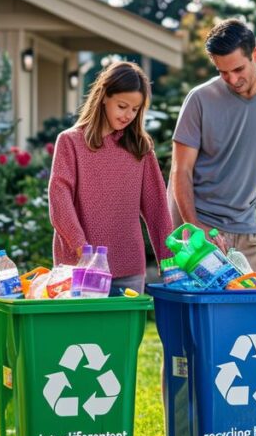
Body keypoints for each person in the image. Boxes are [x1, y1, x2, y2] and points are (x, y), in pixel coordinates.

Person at [169, 18, 256, 284]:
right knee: (199, 320)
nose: (232, 79)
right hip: (198, 231)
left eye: (238, 69)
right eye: (223, 72)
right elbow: (181, 170)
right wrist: (195, 228)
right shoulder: (199, 100)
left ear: (255, 54)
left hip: (246, 231)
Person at [49, 61, 174, 295]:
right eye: (122, 106)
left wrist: (170, 265)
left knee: (123, 332)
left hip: (128, 268)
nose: (128, 115)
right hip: (78, 270)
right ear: (104, 96)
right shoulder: (71, 142)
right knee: (80, 333)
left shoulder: (140, 149)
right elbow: (59, 200)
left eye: (135, 109)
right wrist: (81, 249)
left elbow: (157, 209)